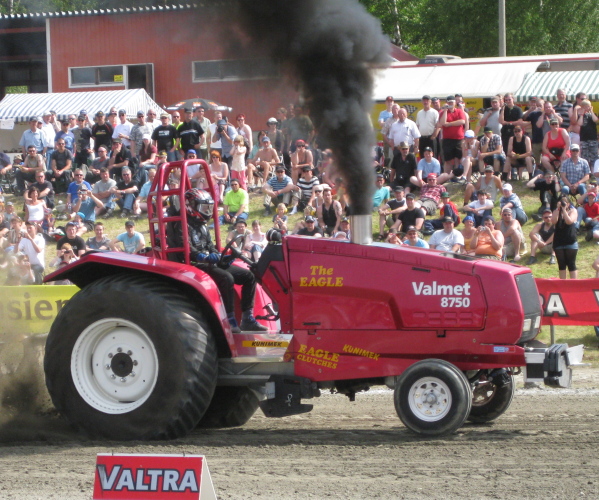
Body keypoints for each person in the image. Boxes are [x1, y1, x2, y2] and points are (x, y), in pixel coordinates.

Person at [184, 188, 267, 332]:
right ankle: (229, 320)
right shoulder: (183, 226)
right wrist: (204, 257)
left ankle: (247, 318)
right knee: (227, 278)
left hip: (209, 262)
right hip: (195, 264)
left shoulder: (202, 226)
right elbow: (188, 250)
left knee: (249, 276)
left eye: (209, 207)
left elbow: (211, 246)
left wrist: (223, 257)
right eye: (204, 207)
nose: (207, 211)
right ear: (192, 206)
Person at [552, 195, 578, 279]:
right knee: (561, 264)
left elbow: (569, 221)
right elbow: (553, 221)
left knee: (571, 264)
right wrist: (557, 209)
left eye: (565, 203)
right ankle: (562, 285)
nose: (563, 204)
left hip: (570, 241)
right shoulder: (556, 211)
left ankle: (574, 285)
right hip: (558, 241)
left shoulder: (573, 211)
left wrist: (564, 210)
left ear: (568, 204)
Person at [576, 99, 598, 168]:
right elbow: (579, 123)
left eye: (588, 106)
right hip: (584, 139)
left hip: (593, 138)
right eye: (584, 106)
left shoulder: (593, 114)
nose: (586, 108)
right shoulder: (580, 116)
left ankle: (594, 172)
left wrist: (591, 111)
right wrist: (582, 114)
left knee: (594, 156)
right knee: (584, 157)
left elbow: (595, 120)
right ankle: (586, 172)